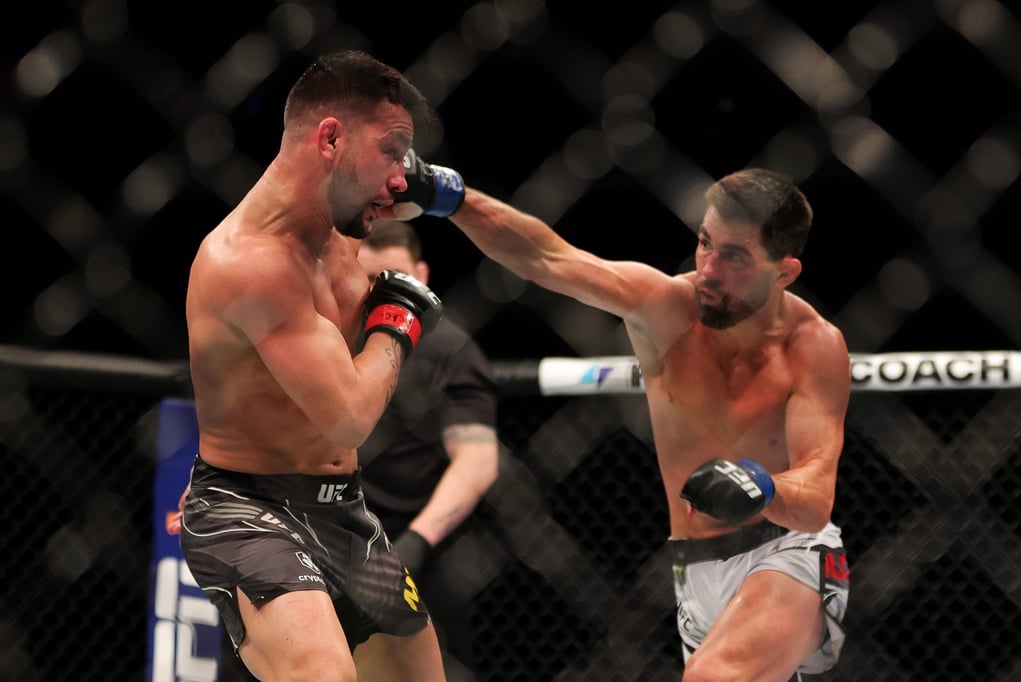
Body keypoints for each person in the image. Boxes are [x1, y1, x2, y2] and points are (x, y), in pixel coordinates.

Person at [388, 152, 852, 681]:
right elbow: (547, 257)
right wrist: (448, 196)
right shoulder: (666, 310)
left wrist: (764, 486)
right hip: (695, 569)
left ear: (785, 271)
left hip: (788, 555)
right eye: (704, 243)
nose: (708, 270)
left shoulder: (813, 347)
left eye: (735, 257)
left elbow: (816, 497)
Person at [168, 52, 451, 682]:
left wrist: (443, 189)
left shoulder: (345, 228)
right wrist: (397, 322)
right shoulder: (250, 263)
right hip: (246, 509)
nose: (401, 178)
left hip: (342, 509)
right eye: (391, 150)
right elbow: (348, 415)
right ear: (330, 138)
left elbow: (438, 200)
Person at [357, 219, 500, 681]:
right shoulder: (328, 335)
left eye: (400, 280)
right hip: (334, 529)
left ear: (422, 273)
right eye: (373, 283)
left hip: (422, 541)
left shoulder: (449, 348)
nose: (389, 296)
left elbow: (477, 459)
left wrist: (414, 544)